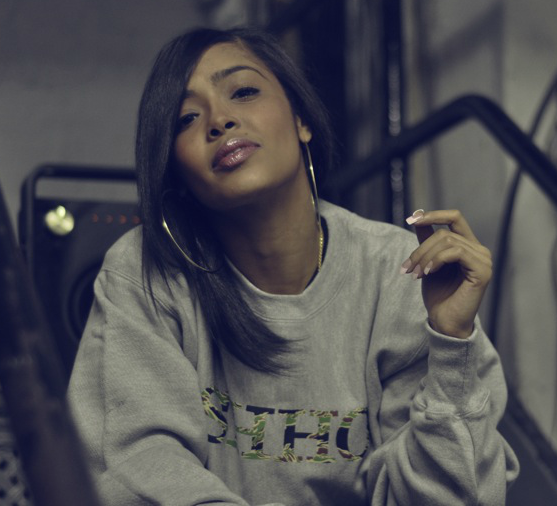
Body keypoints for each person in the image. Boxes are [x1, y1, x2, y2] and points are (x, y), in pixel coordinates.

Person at [67, 26, 519, 505]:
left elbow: (450, 497)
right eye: (186, 118)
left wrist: (451, 342)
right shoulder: (146, 273)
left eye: (243, 92)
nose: (219, 120)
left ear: (301, 119)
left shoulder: (401, 273)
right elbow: (139, 464)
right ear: (175, 171)